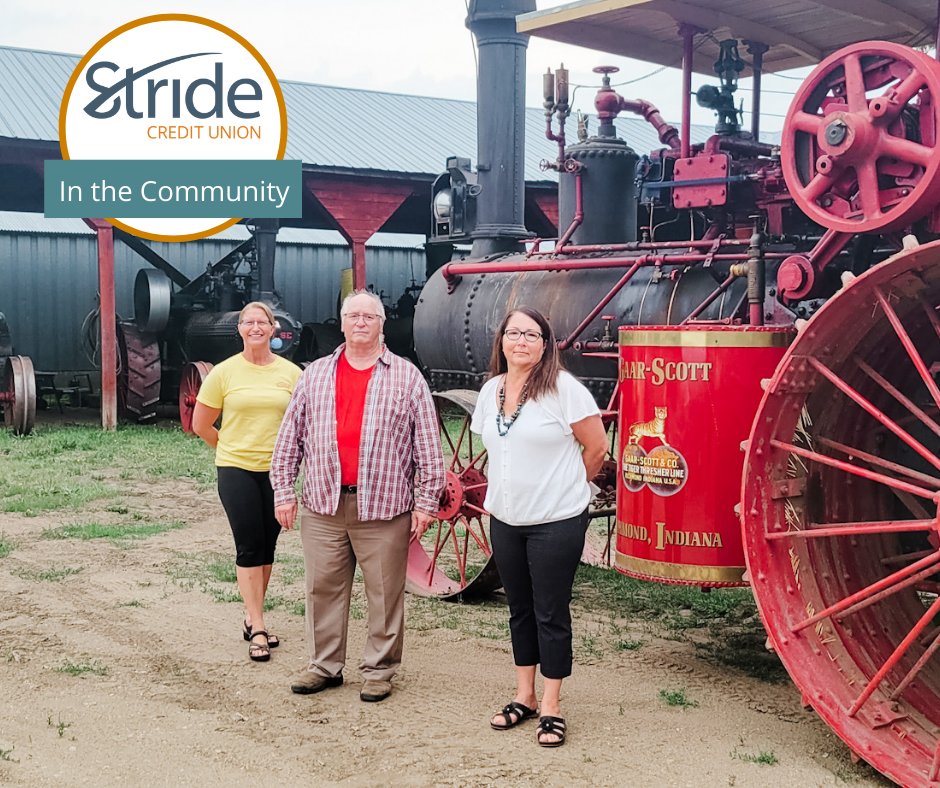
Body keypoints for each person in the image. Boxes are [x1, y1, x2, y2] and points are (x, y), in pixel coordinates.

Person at [270, 289, 445, 703]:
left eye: (370, 316)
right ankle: (324, 666)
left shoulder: (407, 377)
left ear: (382, 324)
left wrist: (425, 504)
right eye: (353, 316)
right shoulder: (314, 374)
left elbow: (429, 448)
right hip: (323, 504)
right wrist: (283, 492)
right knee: (323, 588)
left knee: (385, 592)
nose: (361, 322)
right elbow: (289, 439)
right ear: (342, 322)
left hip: (384, 508)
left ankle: (379, 670)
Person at [471, 306, 607, 747]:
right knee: (519, 609)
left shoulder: (564, 390)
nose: (521, 341)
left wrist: (568, 489)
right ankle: (523, 695)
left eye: (532, 335)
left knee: (550, 611)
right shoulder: (491, 389)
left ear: (546, 345)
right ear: (502, 341)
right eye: (514, 333)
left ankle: (552, 705)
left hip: (555, 521)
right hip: (506, 518)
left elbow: (597, 449)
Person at [192, 301, 301, 663]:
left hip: (278, 473)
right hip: (236, 469)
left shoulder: (291, 373)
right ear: (238, 329)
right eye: (248, 322)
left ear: (273, 330)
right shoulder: (223, 373)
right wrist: (230, 449)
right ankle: (257, 626)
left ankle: (252, 614)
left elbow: (303, 422)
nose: (255, 327)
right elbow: (201, 425)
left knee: (268, 548)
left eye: (262, 322)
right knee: (249, 546)